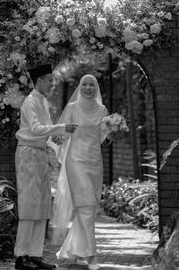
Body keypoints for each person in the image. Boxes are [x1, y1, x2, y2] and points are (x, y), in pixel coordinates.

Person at [14, 64, 78, 270]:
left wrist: (57, 139)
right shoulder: (30, 102)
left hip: (40, 154)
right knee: (28, 205)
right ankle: (20, 257)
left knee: (41, 205)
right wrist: (61, 127)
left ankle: (34, 255)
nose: (52, 83)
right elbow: (35, 129)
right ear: (39, 80)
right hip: (28, 155)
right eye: (50, 79)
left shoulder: (42, 101)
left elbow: (45, 133)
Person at [51, 74, 108, 270]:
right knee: (85, 206)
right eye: (85, 84)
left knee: (89, 209)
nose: (88, 88)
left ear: (96, 88)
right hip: (75, 161)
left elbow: (101, 136)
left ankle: (77, 251)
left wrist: (115, 129)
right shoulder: (73, 108)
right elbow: (61, 132)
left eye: (92, 84)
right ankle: (92, 255)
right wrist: (59, 138)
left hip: (95, 162)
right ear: (80, 87)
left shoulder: (102, 110)